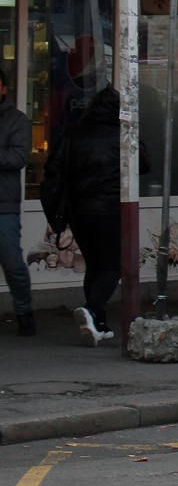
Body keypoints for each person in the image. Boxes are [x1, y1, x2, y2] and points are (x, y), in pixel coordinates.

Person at [44, 87, 123, 346]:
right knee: (112, 266)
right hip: (109, 210)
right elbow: (143, 163)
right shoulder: (121, 135)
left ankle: (98, 324)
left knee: (94, 265)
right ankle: (92, 309)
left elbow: (52, 169)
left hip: (79, 211)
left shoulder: (73, 134)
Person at [0, 69, 34, 337]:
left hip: (4, 204)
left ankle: (24, 312)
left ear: (3, 89)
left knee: (12, 263)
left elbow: (18, 158)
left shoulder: (17, 120)